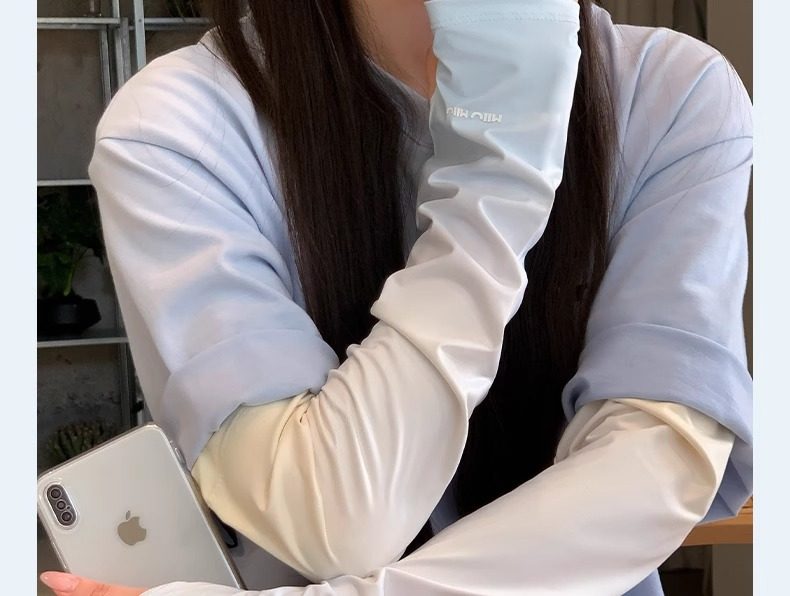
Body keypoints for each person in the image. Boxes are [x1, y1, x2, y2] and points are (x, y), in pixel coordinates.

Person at [40, 0, 753, 594]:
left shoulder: (671, 91)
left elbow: (658, 466)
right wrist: (500, 171)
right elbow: (338, 520)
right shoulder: (176, 127)